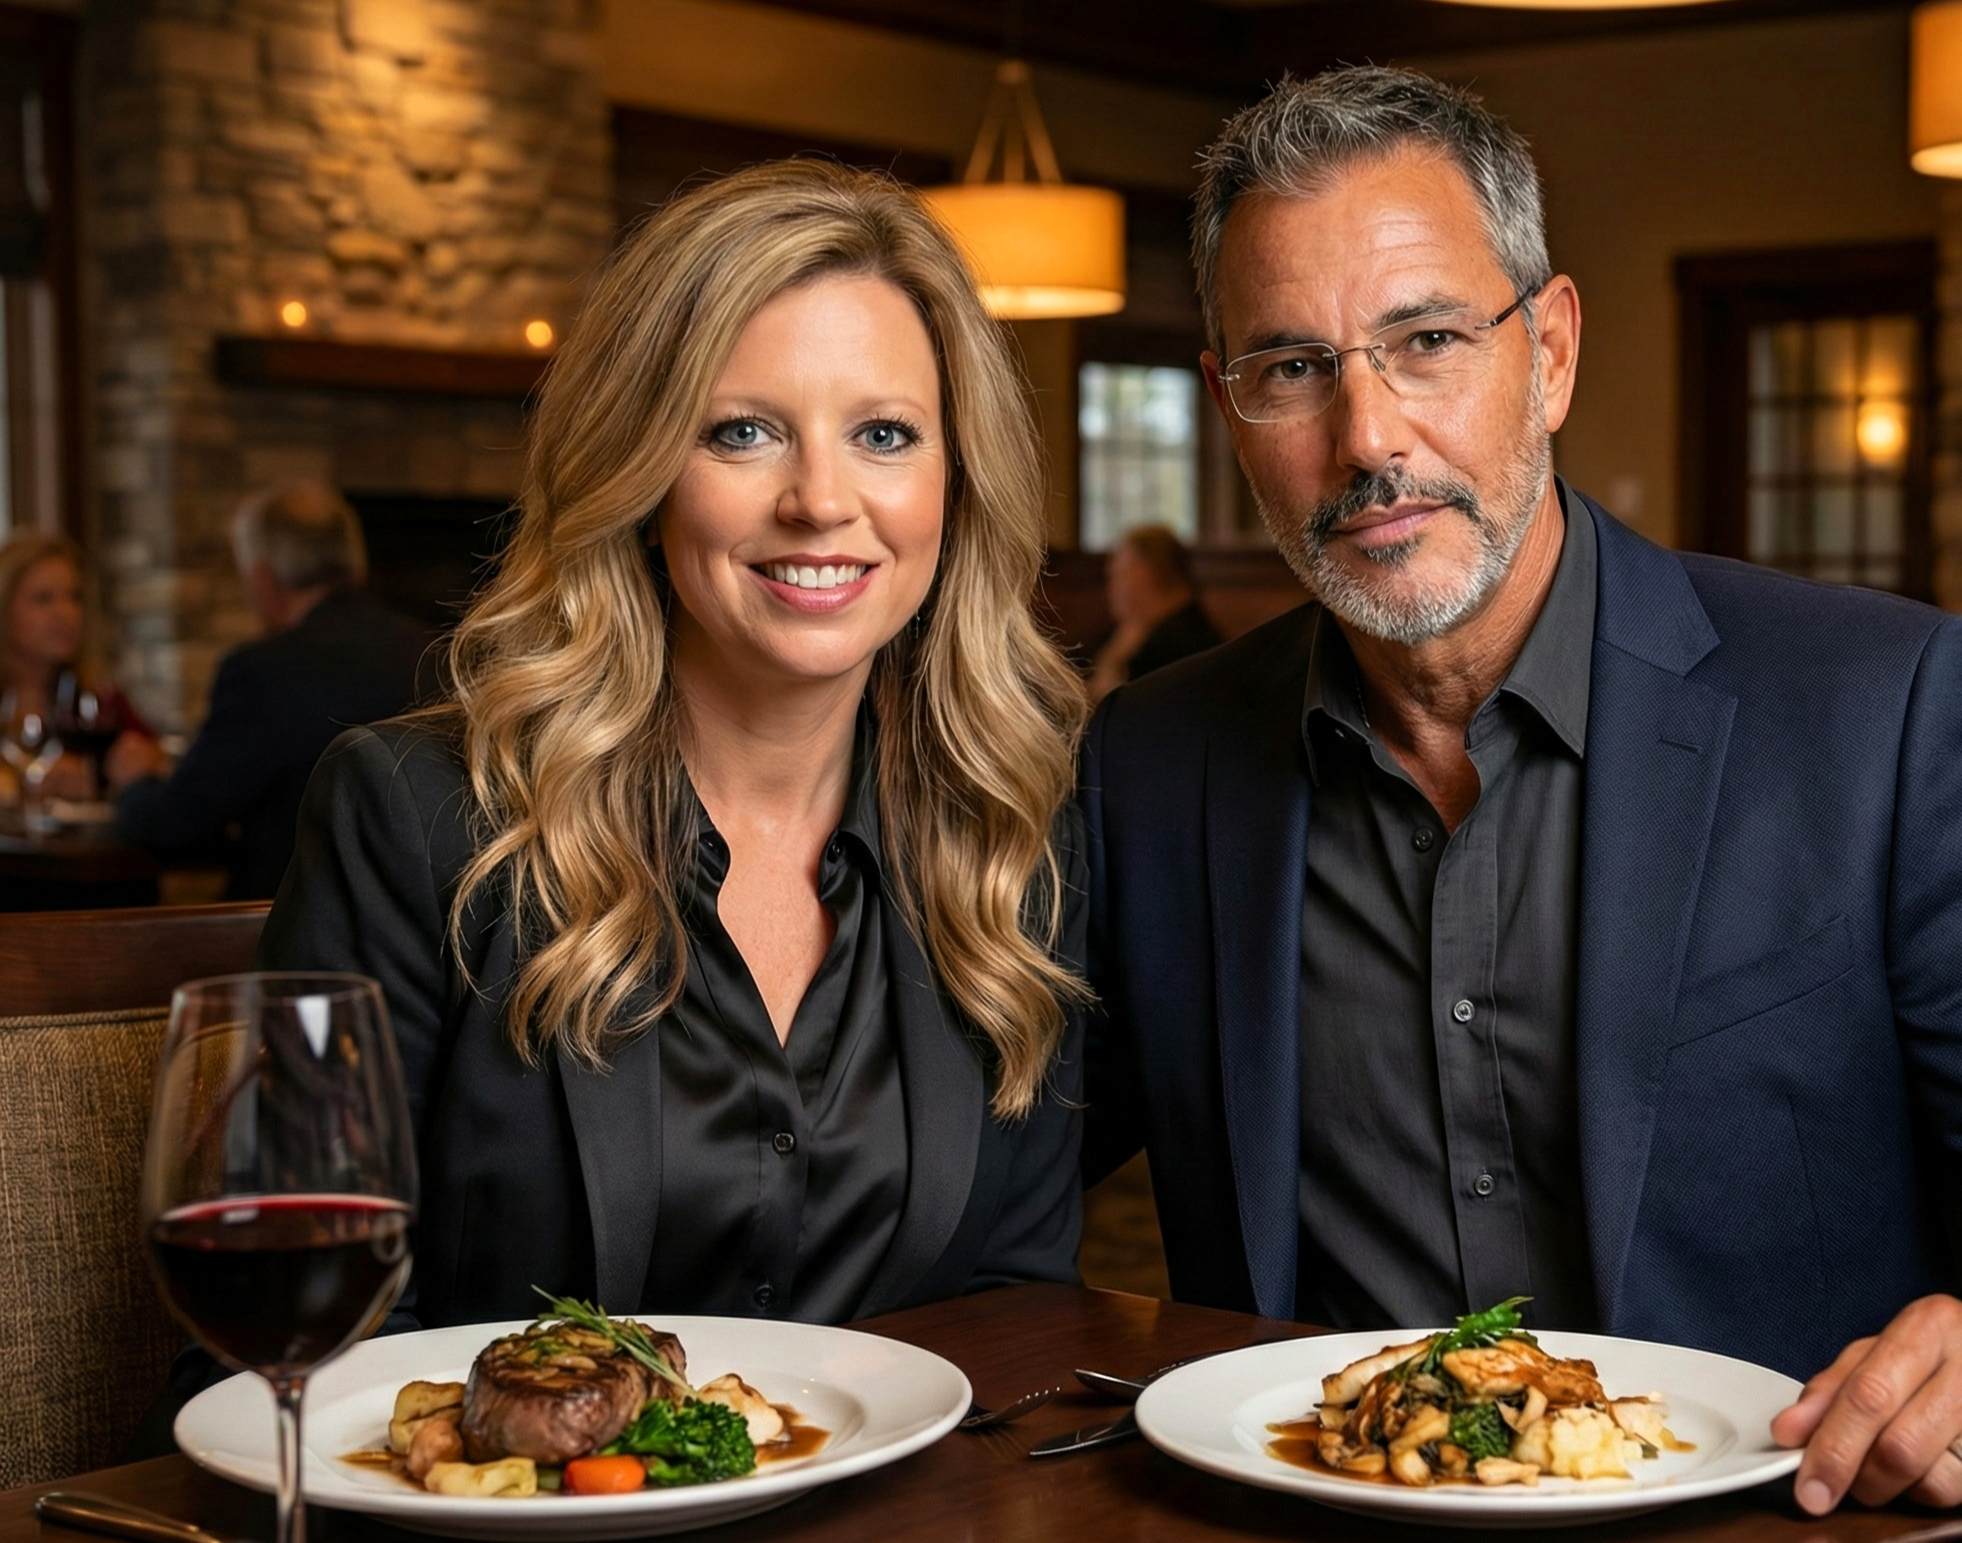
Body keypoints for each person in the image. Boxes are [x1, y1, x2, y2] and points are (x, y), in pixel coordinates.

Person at [1077, 66, 1962, 1517]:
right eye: (1288, 368)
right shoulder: (1147, 760)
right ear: (1228, 408)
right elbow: (967, 1157)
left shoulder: (1873, 708)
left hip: (1786, 1516)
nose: (1367, 438)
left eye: (1427, 340)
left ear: (1552, 351)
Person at [261, 160, 1090, 1330]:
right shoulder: (413, 815)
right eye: (741, 431)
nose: (819, 499)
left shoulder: (1011, 836)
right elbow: (302, 1325)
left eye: (884, 433)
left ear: (955, 486)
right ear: (640, 475)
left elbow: (1015, 1310)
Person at [106, 482, 429, 899]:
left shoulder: (261, 671)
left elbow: (176, 824)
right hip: (417, 929)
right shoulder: (428, 652)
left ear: (262, 577)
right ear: (353, 562)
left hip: (289, 930)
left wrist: (133, 784)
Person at [0, 530, 149, 799]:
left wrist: (139, 765)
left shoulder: (100, 701)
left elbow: (159, 766)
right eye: (44, 599)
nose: (66, 613)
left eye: (74, 597)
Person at [1085, 524, 1223, 701]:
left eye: (1117, 575)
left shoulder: (1186, 645)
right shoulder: (1131, 631)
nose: (1109, 590)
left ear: (1145, 574)